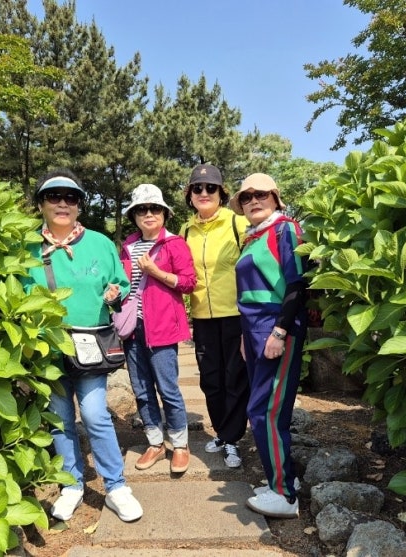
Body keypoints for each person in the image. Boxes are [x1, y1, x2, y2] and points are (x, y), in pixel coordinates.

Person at [22, 169, 143, 523]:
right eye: (53, 196)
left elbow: (120, 283)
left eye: (71, 197)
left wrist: (115, 293)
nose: (63, 203)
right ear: (41, 204)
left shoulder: (100, 243)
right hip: (46, 347)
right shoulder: (25, 247)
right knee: (60, 417)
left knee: (93, 413)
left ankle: (116, 486)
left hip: (90, 344)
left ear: (79, 206)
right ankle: (71, 485)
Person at [229, 173, 308, 518]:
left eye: (260, 194)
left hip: (275, 326)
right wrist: (245, 337)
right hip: (254, 330)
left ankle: (284, 494)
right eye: (246, 197)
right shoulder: (254, 237)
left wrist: (279, 332)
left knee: (265, 411)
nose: (253, 201)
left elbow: (297, 284)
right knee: (265, 409)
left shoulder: (285, 230)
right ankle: (281, 478)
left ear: (275, 198)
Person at [119, 183, 197, 474]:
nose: (148, 214)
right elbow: (123, 283)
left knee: (168, 388)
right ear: (134, 216)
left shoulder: (174, 244)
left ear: (164, 213)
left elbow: (188, 283)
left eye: (154, 208)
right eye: (142, 210)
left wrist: (156, 272)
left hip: (162, 328)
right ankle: (154, 442)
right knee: (141, 390)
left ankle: (180, 444)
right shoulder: (128, 246)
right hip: (132, 329)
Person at [179, 163, 249, 469]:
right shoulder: (185, 231)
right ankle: (222, 432)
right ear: (190, 195)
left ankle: (233, 437)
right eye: (197, 188)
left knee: (235, 377)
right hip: (202, 316)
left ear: (222, 192)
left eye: (211, 188)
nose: (204, 192)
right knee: (210, 379)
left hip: (235, 314)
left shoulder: (238, 223)